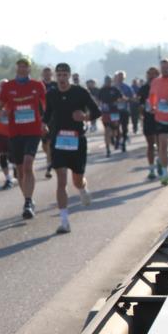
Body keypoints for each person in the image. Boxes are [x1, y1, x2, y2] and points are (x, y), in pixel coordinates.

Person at [43, 63, 99, 234]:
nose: (61, 78)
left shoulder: (80, 92)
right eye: (58, 75)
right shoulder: (51, 94)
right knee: (61, 180)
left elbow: (97, 112)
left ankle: (82, 188)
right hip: (58, 142)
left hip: (77, 141)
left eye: (64, 75)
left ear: (69, 76)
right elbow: (47, 115)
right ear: (55, 76)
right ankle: (64, 221)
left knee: (77, 179)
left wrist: (85, 117)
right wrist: (43, 125)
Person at [0, 58, 47, 219]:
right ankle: (27, 199)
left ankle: (28, 202)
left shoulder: (37, 86)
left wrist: (45, 121)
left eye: (25, 67)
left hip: (33, 131)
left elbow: (46, 105)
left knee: (28, 164)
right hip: (15, 132)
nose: (22, 69)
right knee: (19, 170)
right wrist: (0, 112)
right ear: (16, 69)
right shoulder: (9, 86)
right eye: (20, 67)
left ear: (29, 69)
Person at [0, 79, 15, 189]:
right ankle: (8, 179)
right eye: (2, 87)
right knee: (2, 156)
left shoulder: (15, 100)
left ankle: (15, 168)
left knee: (13, 156)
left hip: (14, 132)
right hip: (0, 132)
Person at [138, 66, 161, 180]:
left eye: (154, 74)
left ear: (158, 75)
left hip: (161, 119)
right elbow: (140, 104)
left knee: (161, 144)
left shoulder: (162, 87)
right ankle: (151, 169)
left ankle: (160, 162)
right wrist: (142, 111)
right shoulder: (143, 88)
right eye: (149, 74)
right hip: (148, 119)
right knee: (150, 145)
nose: (151, 76)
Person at [98, 75, 124, 155]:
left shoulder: (115, 89)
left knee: (116, 127)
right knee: (106, 129)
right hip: (105, 112)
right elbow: (98, 100)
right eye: (106, 81)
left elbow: (121, 98)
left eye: (109, 81)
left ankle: (117, 139)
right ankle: (107, 148)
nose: (108, 82)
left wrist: (117, 102)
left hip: (114, 111)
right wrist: (100, 106)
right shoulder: (102, 90)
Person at [40, 66, 56, 178]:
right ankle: (51, 157)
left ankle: (49, 166)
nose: (47, 75)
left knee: (50, 143)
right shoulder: (39, 85)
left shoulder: (56, 85)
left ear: (51, 74)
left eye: (48, 73)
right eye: (45, 73)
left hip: (54, 117)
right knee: (44, 145)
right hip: (41, 117)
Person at [114, 71, 133, 151]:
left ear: (124, 78)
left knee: (124, 127)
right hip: (115, 111)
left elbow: (132, 98)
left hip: (124, 110)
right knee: (116, 127)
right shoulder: (113, 87)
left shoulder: (127, 87)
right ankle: (117, 139)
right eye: (119, 76)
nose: (120, 78)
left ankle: (124, 141)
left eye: (121, 77)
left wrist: (125, 99)